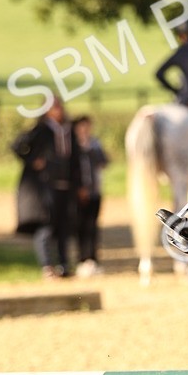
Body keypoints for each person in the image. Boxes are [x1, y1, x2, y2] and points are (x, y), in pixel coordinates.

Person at [11, 95, 82, 278]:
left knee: (64, 226)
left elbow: (76, 159)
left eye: (59, 106)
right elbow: (17, 145)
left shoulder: (69, 130)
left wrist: (80, 183)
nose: (58, 110)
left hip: (66, 185)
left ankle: (64, 265)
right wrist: (32, 160)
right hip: (45, 186)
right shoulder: (41, 129)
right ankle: (47, 265)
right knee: (46, 226)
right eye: (54, 107)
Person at [72, 115, 109, 277]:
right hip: (78, 193)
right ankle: (82, 259)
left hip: (94, 190)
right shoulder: (72, 145)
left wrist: (91, 149)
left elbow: (104, 162)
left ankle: (92, 259)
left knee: (92, 227)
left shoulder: (94, 144)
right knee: (80, 227)